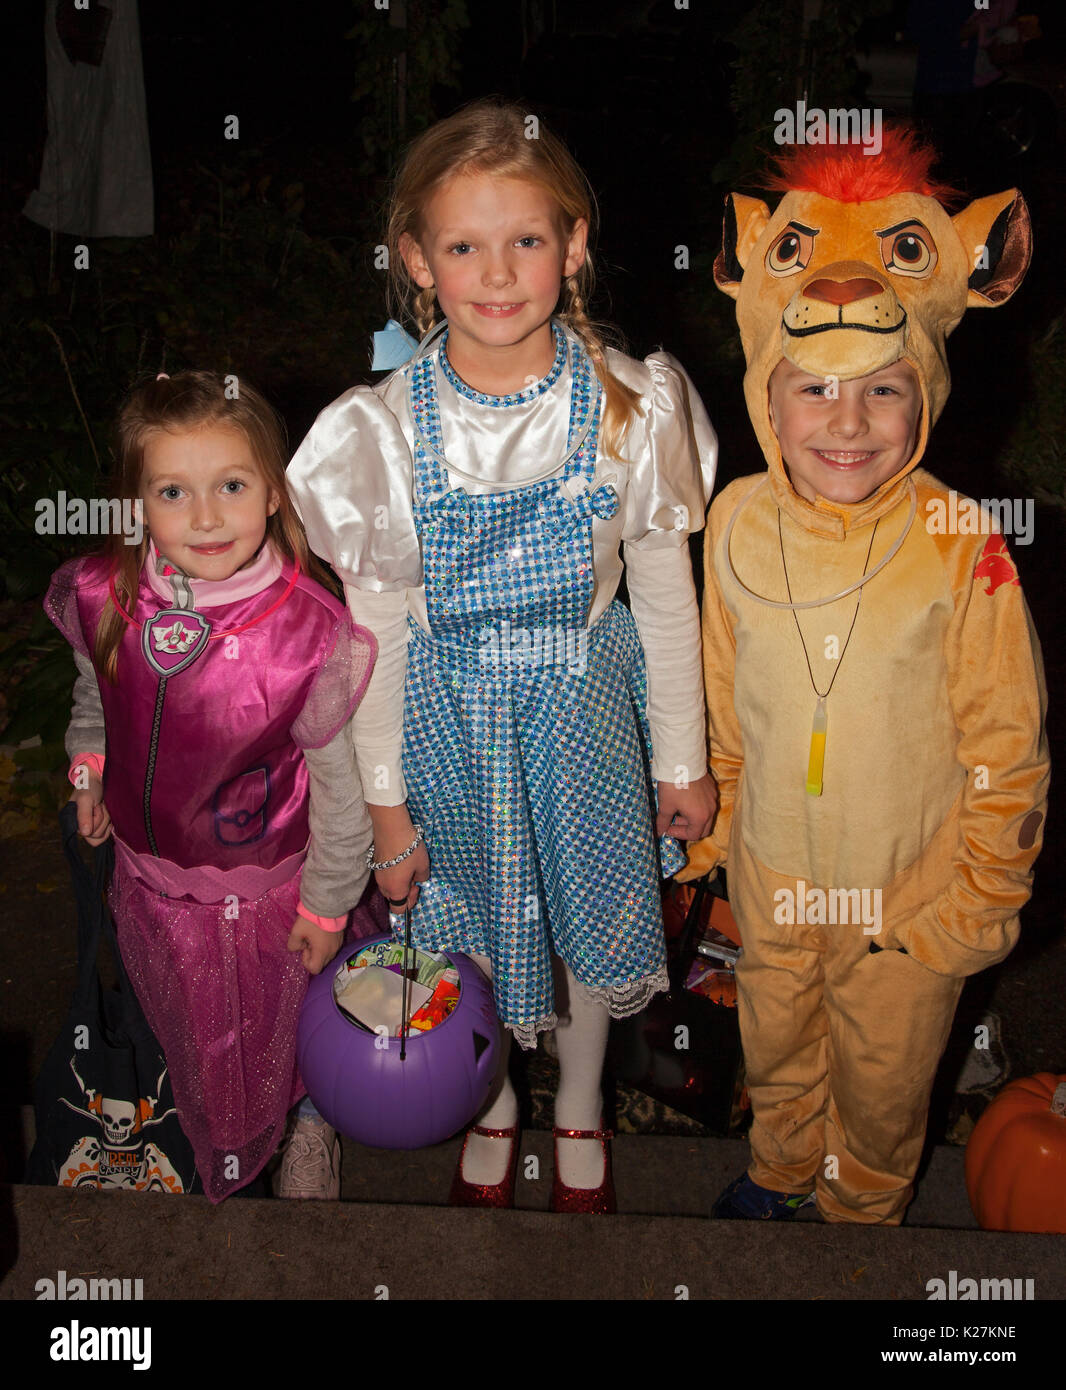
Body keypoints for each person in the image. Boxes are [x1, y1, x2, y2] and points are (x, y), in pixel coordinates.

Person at [287, 98, 718, 1213]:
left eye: (526, 239)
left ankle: (577, 1102)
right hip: (447, 720)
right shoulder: (380, 432)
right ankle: (490, 1102)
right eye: (463, 245)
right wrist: (386, 809)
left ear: (573, 245)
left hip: (583, 712)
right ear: (417, 261)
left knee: (580, 931)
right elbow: (373, 634)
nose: (497, 271)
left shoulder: (633, 405)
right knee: (470, 926)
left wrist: (681, 755)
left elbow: (665, 592)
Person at [682, 128, 1050, 1223]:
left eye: (884, 393)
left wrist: (970, 908)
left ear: (923, 392)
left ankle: (862, 1213)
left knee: (884, 1089)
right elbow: (719, 696)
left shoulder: (959, 539)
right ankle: (784, 1169)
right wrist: (716, 837)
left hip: (907, 906)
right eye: (814, 392)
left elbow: (1006, 742)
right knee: (780, 1047)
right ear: (766, 393)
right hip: (774, 883)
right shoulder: (735, 519)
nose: (846, 425)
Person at [45, 370, 377, 1202]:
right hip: (155, 891)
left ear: (273, 491)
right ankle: (208, 1138)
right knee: (196, 1034)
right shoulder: (109, 594)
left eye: (231, 485)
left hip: (274, 895)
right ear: (135, 505)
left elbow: (342, 789)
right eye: (172, 491)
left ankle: (310, 1120)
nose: (203, 516)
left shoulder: (306, 631)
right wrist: (90, 767)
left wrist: (329, 903)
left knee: (284, 1030)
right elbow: (96, 692)